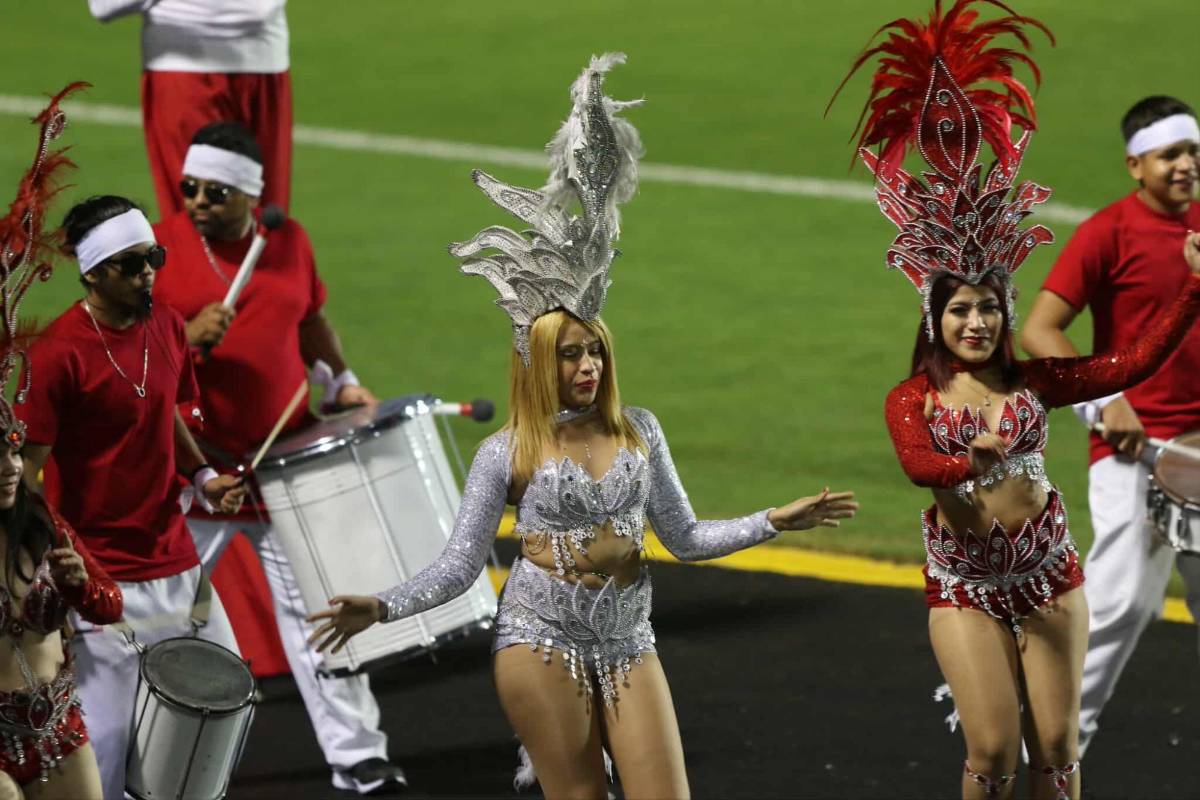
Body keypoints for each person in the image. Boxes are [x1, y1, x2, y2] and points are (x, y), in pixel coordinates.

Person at [307, 53, 858, 799]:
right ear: (540, 363)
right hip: (539, 642)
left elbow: (685, 538)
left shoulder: (640, 431)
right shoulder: (507, 451)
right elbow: (460, 566)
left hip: (630, 639)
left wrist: (773, 521)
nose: (589, 365)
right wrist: (383, 606)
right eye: (570, 354)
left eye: (595, 350)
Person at [832, 3, 1200, 798]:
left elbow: (1132, 359)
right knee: (994, 752)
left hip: (1050, 576)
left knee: (1058, 752)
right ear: (935, 319)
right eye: (960, 310)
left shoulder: (1038, 381)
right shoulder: (913, 398)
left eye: (989, 308)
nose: (977, 322)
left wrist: (1194, 292)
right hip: (966, 585)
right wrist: (968, 462)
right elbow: (918, 465)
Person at [150, 120, 405, 794]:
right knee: (158, 618)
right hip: (197, 471)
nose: (197, 202)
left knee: (319, 612)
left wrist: (340, 379)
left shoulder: (287, 241)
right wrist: (185, 336)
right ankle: (137, 760)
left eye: (214, 193)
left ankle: (358, 758)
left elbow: (311, 320)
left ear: (250, 196)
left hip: (282, 466)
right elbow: (128, 353)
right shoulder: (159, 251)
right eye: (189, 188)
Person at [16, 195, 246, 800]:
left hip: (177, 561)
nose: (149, 273)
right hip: (102, 579)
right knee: (109, 752)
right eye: (133, 263)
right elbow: (26, 475)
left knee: (225, 704)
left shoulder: (166, 325)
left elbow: (165, 410)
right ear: (94, 272)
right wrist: (58, 564)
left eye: (154, 258)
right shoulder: (57, 354)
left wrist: (203, 477)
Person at [1021, 96, 1200, 755]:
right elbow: (1040, 330)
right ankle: (1051, 750)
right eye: (1170, 154)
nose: (1186, 165)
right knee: (1122, 602)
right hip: (1133, 450)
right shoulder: (1108, 232)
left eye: (1193, 152)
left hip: (1199, 452)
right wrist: (1103, 402)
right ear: (1135, 165)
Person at [0, 84, 122, 800]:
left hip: (58, 725)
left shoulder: (41, 524)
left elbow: (108, 607)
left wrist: (80, 582)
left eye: (14, 449)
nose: (9, 466)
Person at [86, 0, 292, 215]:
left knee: (268, 221)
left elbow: (257, 9)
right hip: (183, 72)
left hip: (266, 66)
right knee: (198, 215)